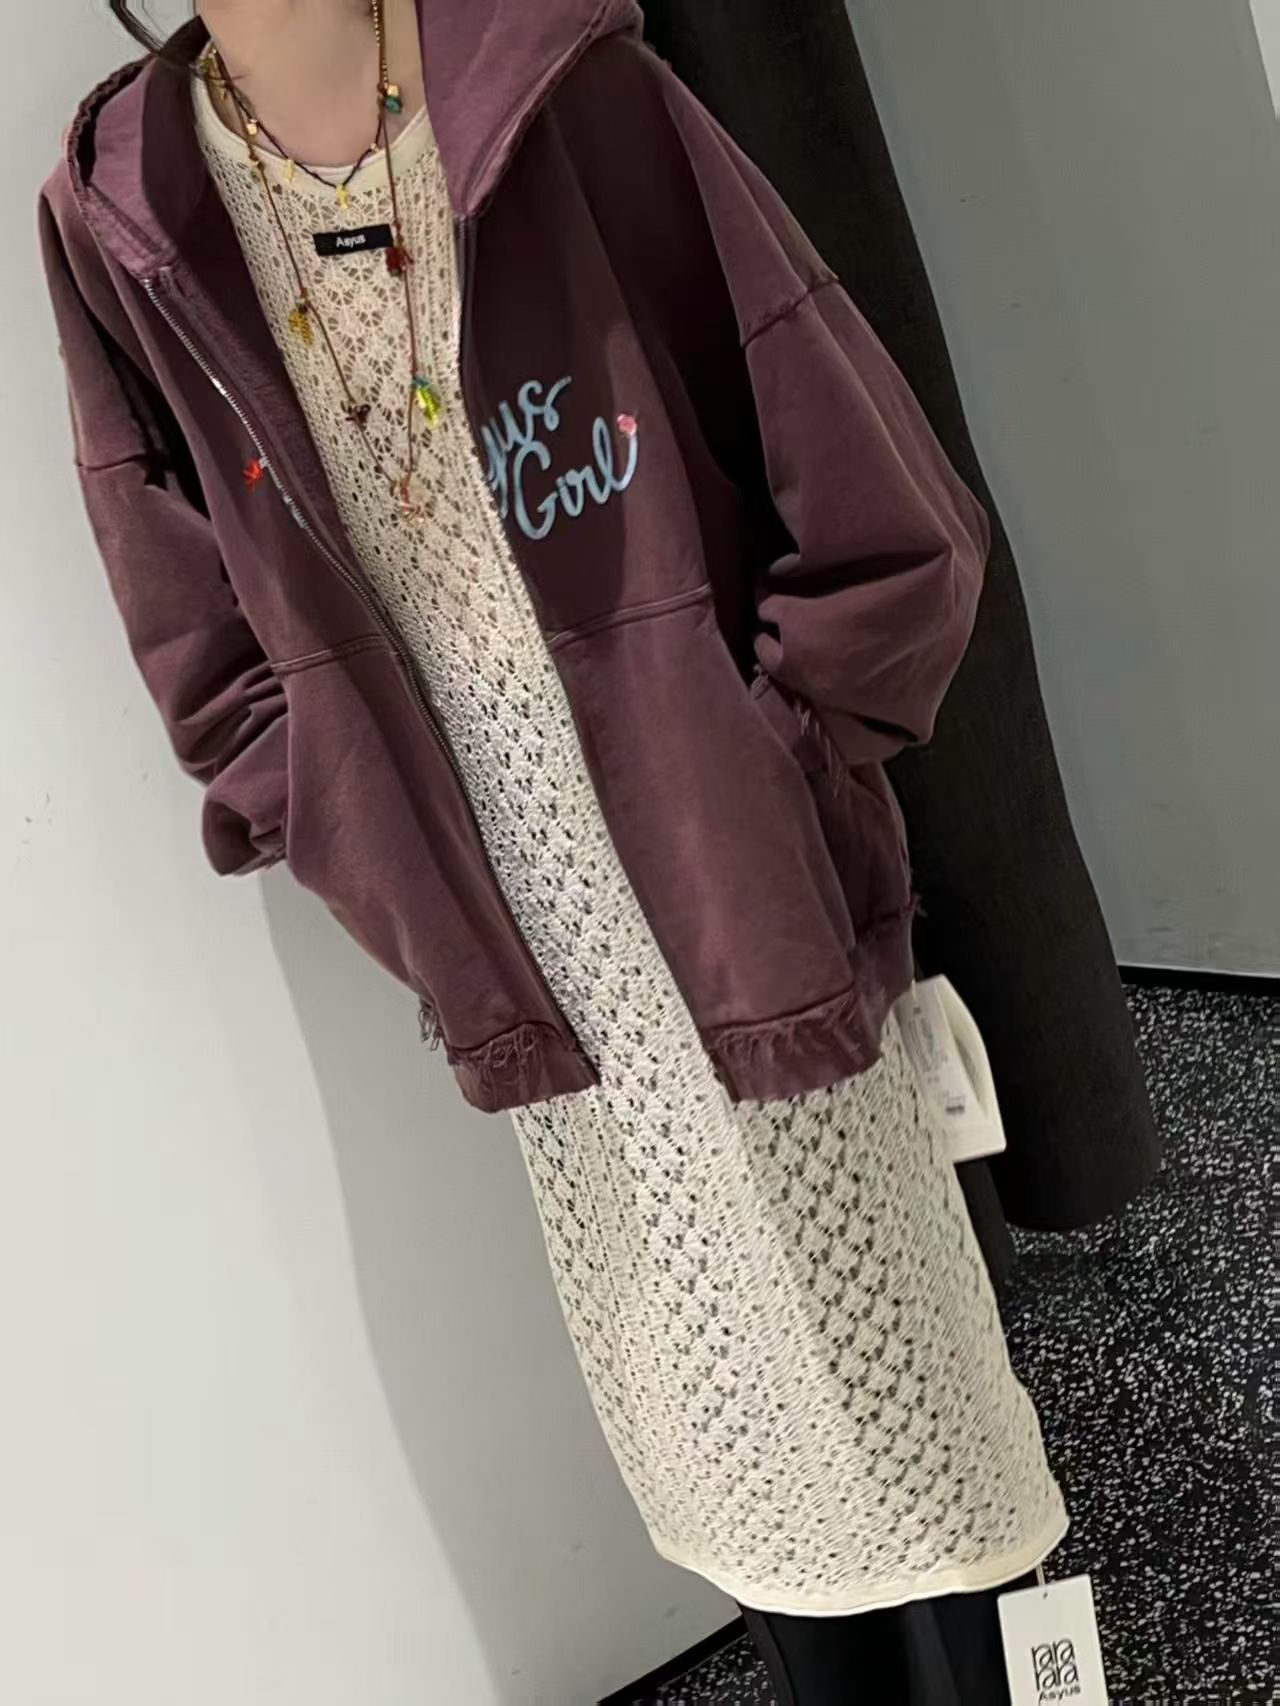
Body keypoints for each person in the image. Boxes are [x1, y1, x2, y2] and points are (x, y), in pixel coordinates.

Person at [40, 1, 1067, 1697]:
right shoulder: (121, 214)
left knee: (916, 1418)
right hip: (527, 958)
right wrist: (367, 844)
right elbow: (201, 650)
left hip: (737, 880)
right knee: (726, 1442)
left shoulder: (555, 87)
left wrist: (774, 755)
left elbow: (886, 511)